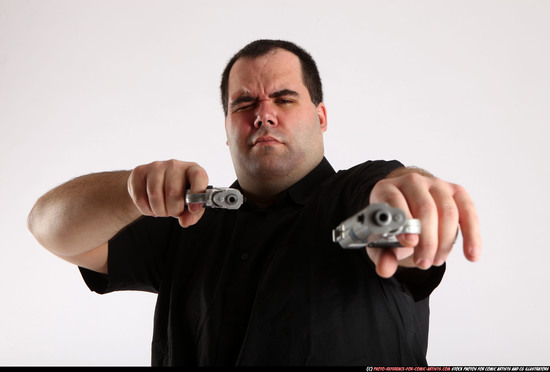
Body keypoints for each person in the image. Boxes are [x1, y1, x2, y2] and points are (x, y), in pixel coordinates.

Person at [27, 39, 481, 366]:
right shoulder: (188, 219)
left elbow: (396, 203)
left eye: (284, 98)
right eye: (243, 104)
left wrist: (409, 201)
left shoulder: (354, 204)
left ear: (320, 118)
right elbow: (48, 226)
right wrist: (130, 189)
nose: (263, 112)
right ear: (226, 130)